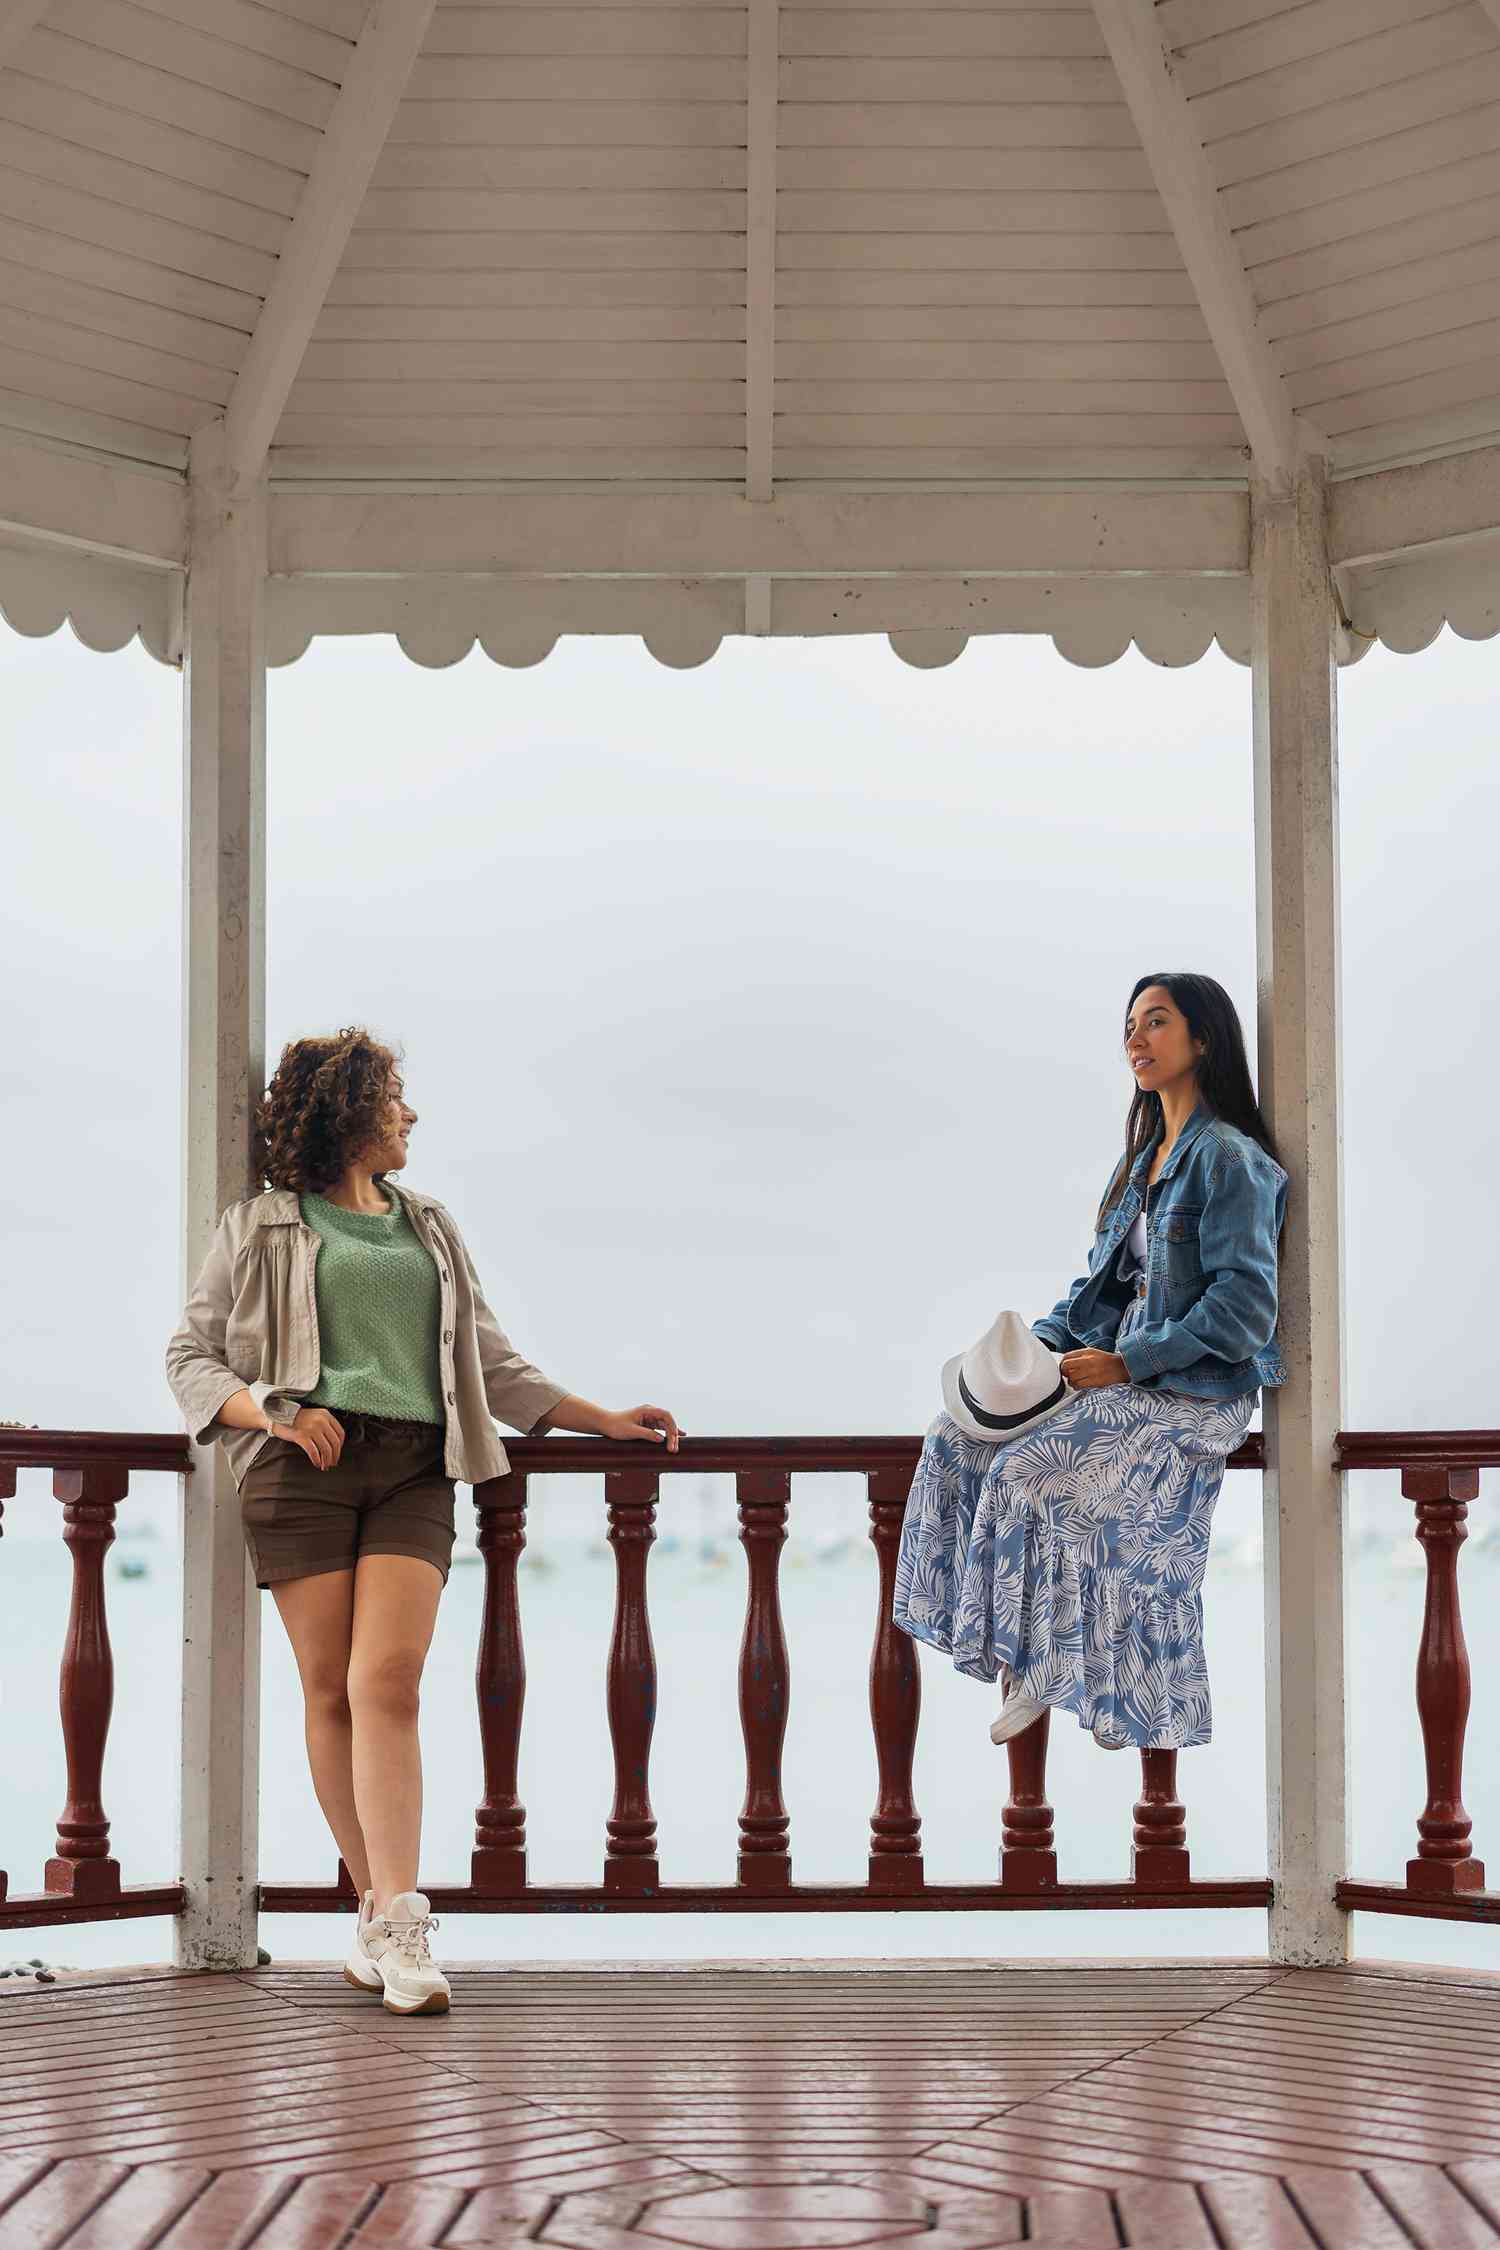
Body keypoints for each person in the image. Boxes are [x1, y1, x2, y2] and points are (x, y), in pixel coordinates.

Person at [165, 1027, 680, 2015]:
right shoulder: (261, 1225)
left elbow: (492, 1364)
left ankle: (399, 1922)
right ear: (348, 1110)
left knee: (387, 1681)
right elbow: (192, 1359)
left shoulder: (429, 1225)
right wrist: (275, 1406)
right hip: (300, 1470)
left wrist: (601, 1419)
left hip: (414, 1470)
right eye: (395, 1096)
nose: (411, 1115)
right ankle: (381, 1917)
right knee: (330, 1690)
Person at [892, 973, 1287, 1755]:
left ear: (1202, 1039)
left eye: (1156, 1022)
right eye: (1130, 1026)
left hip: (1193, 1388)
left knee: (1023, 1471)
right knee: (954, 1438)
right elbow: (1094, 1291)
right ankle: (1019, 1643)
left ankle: (1040, 1658)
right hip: (1120, 1371)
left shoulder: (1231, 1161)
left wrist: (1131, 1363)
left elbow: (1246, 1311)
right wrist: (1028, 1354)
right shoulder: (1144, 1158)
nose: (1135, 1039)